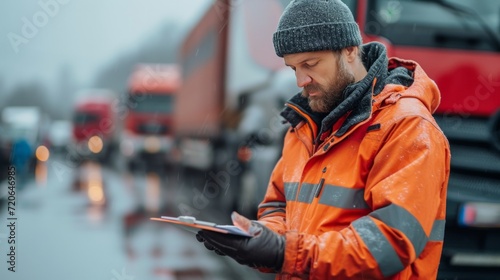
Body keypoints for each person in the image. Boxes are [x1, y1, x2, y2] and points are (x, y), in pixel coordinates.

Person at [196, 0, 451, 279]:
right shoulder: (303, 128)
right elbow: (277, 206)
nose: (301, 81)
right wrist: (259, 242)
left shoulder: (407, 127)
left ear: (350, 50)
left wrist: (286, 253)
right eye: (293, 68)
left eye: (310, 64)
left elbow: (390, 242)